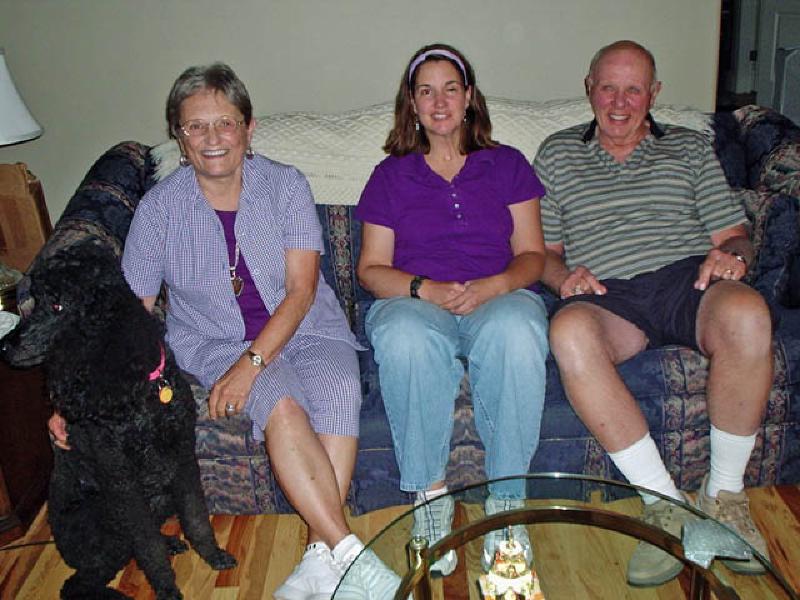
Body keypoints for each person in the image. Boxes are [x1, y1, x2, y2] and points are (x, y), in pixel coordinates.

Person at [51, 63, 399, 600]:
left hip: (309, 327)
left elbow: (302, 290)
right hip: (215, 342)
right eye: (196, 126)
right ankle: (353, 557)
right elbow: (127, 315)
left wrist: (251, 364)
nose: (212, 138)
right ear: (179, 136)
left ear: (248, 127)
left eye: (225, 123)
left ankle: (318, 559)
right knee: (280, 402)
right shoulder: (158, 210)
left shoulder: (285, 184)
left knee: (339, 389)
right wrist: (76, 399)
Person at [534, 40, 771, 586]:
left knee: (749, 314)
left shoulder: (688, 148)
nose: (619, 102)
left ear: (654, 94)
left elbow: (734, 237)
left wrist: (731, 259)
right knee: (569, 330)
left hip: (688, 279)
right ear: (588, 87)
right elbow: (543, 254)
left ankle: (725, 497)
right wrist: (562, 278)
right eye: (608, 87)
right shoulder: (556, 152)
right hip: (608, 292)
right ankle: (664, 504)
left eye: (633, 89)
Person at [356, 43, 550, 575]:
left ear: (468, 98)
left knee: (518, 330)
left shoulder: (507, 164)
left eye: (450, 88)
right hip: (419, 303)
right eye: (426, 91)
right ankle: (431, 501)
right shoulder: (390, 176)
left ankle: (506, 508)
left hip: (498, 294)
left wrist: (494, 286)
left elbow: (533, 255)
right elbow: (371, 269)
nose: (439, 102)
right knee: (404, 337)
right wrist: (426, 289)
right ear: (412, 105)